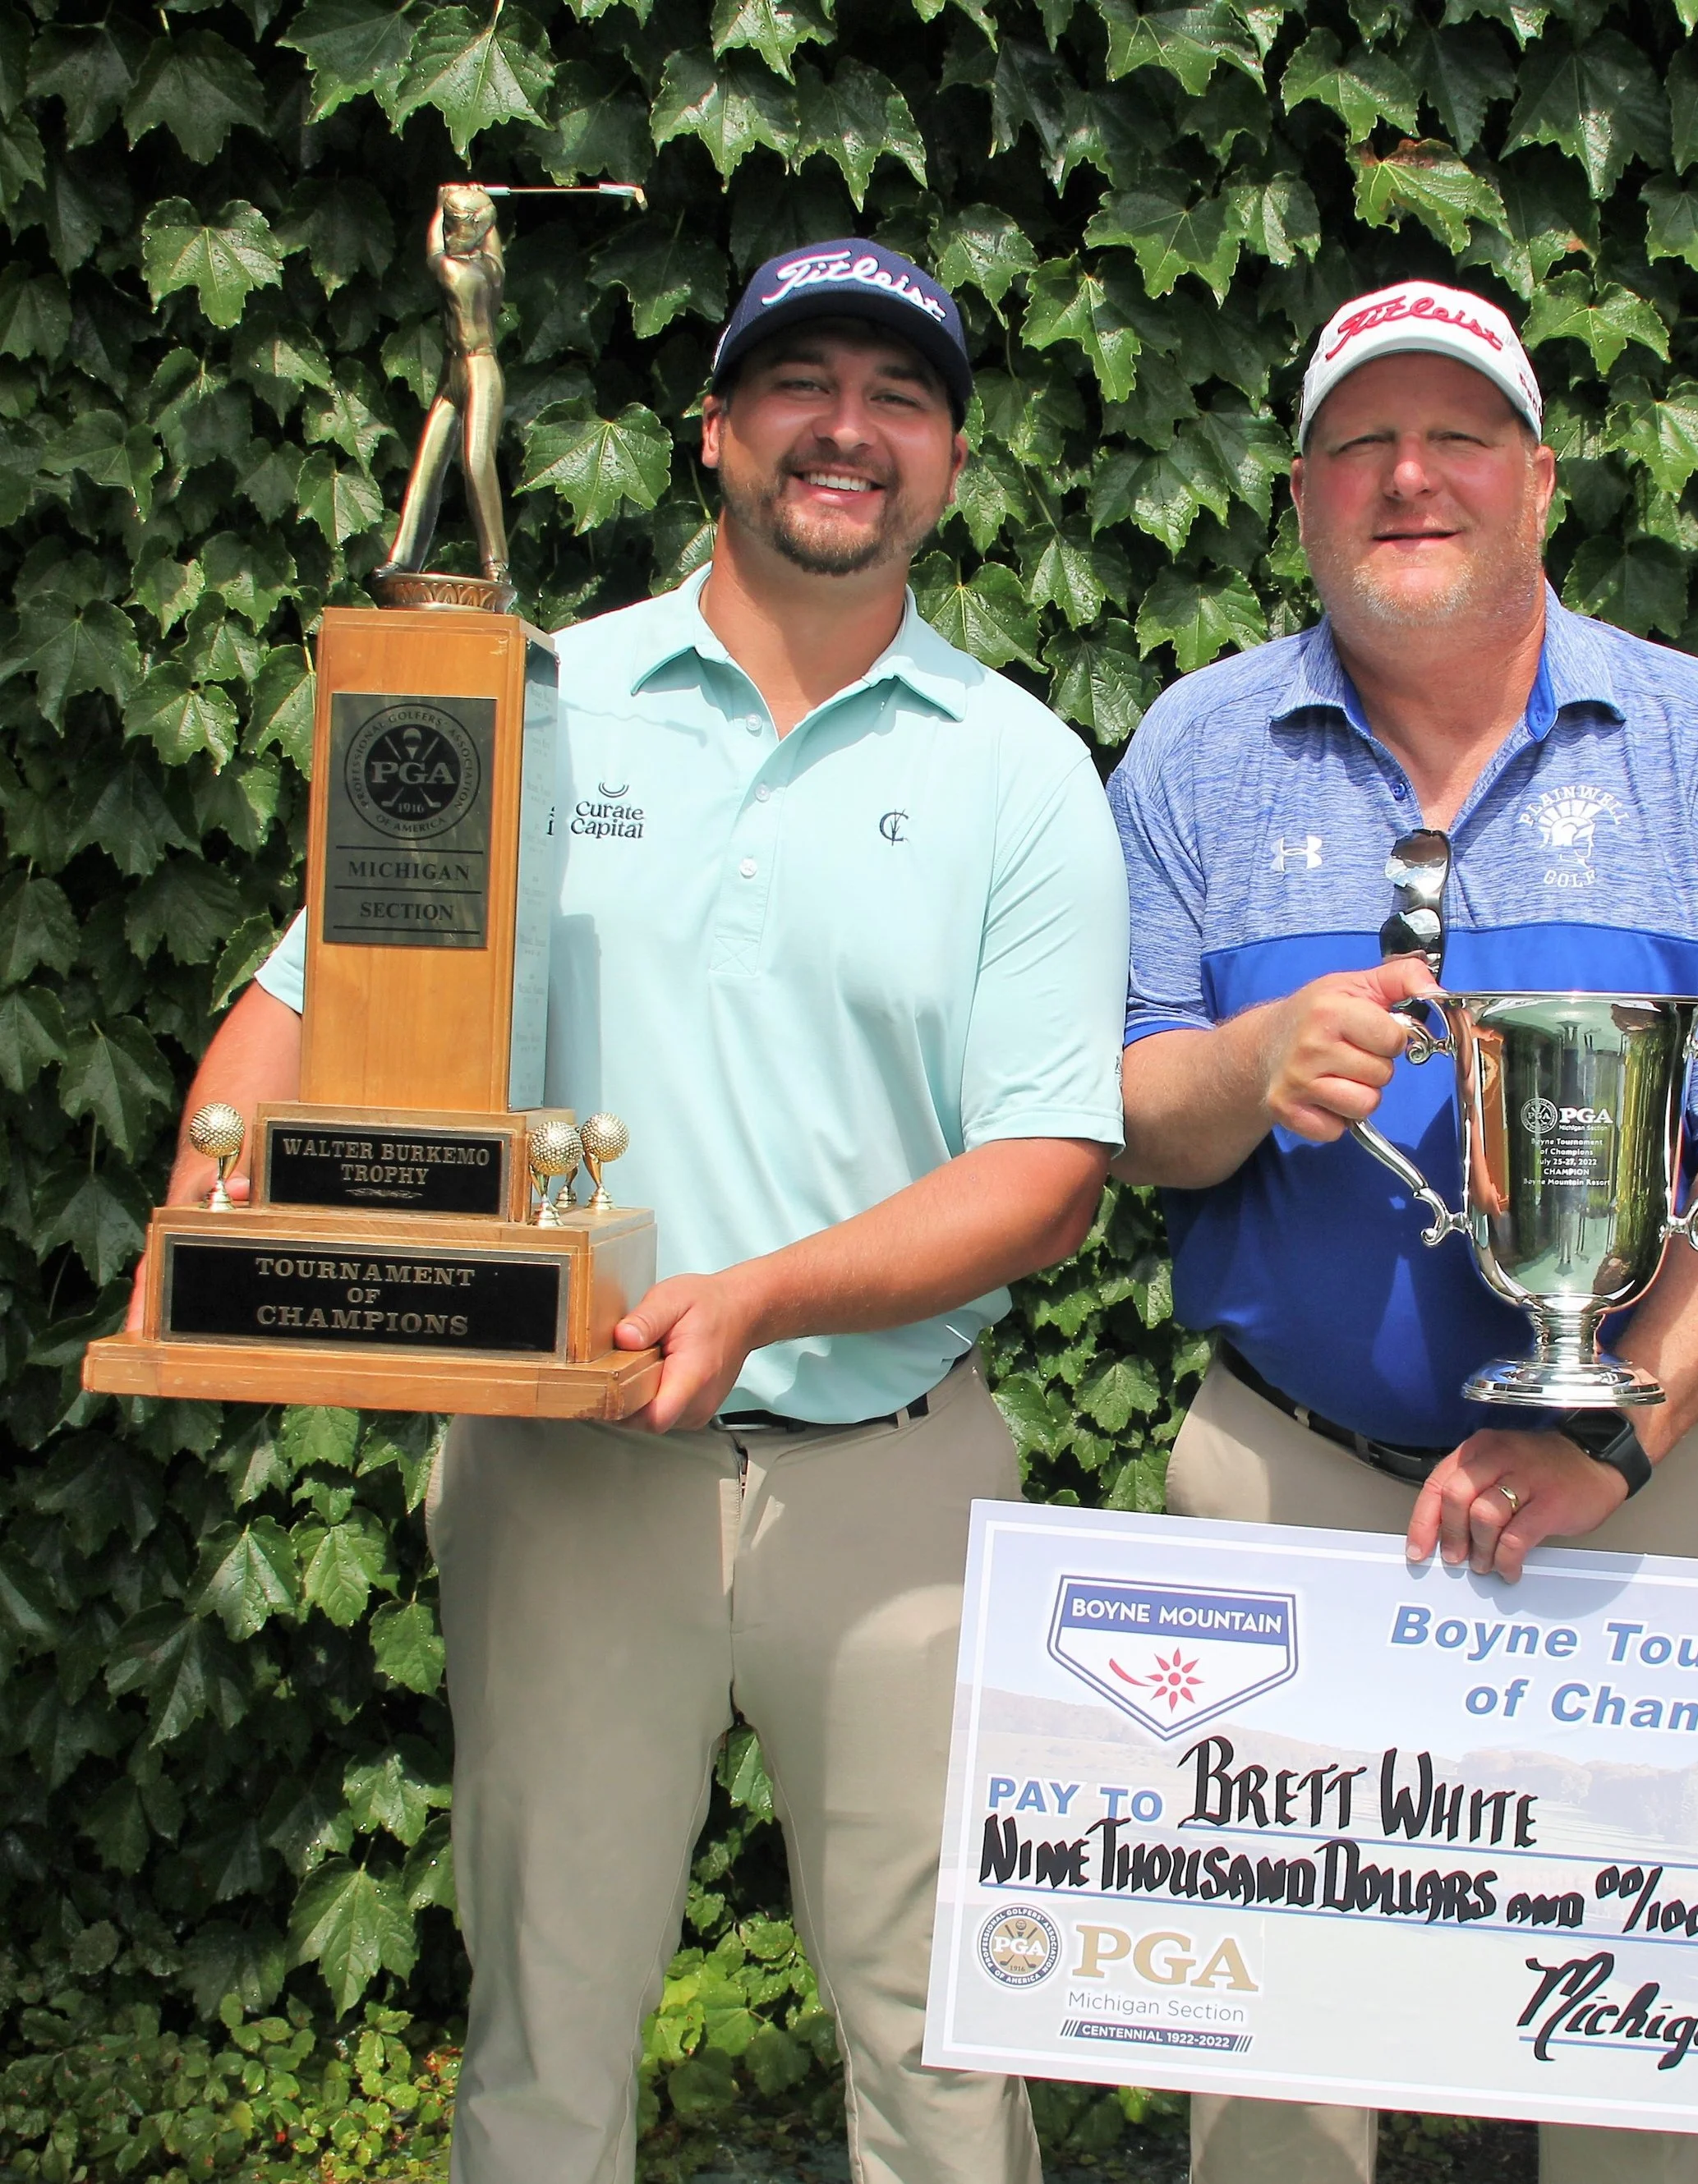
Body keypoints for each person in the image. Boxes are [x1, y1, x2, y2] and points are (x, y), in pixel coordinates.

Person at [144, 238, 1128, 2184]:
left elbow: (1044, 1177)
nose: (846, 429)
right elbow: (326, 980)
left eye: (899, 397)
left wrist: (757, 1295)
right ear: (715, 433)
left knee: (945, 2048)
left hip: (896, 1482)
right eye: (798, 384)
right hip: (566, 1463)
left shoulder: (1022, 770)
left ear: (945, 462)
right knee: (545, 2026)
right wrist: (224, 1156)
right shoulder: (537, 693)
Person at [1107, 280, 1698, 2184]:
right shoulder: (1197, 750)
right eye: (1362, 439)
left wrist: (1605, 1436)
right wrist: (1241, 1070)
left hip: (1646, 1492)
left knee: (1639, 2070)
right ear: (1300, 493)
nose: (1409, 475)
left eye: (1456, 434)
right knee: (1273, 2076)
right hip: (1282, 1482)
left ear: (1537, 481)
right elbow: (1121, 1124)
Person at [378, 182, 509, 584]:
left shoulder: (469, 270)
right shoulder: (486, 265)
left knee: (476, 461)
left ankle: (496, 565)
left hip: (481, 370)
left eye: (459, 227)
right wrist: (451, 207)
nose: (451, 234)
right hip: (453, 372)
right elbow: (480, 245)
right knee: (427, 463)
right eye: (448, 225)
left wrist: (438, 205)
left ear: (478, 230)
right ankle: (403, 559)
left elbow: (435, 251)